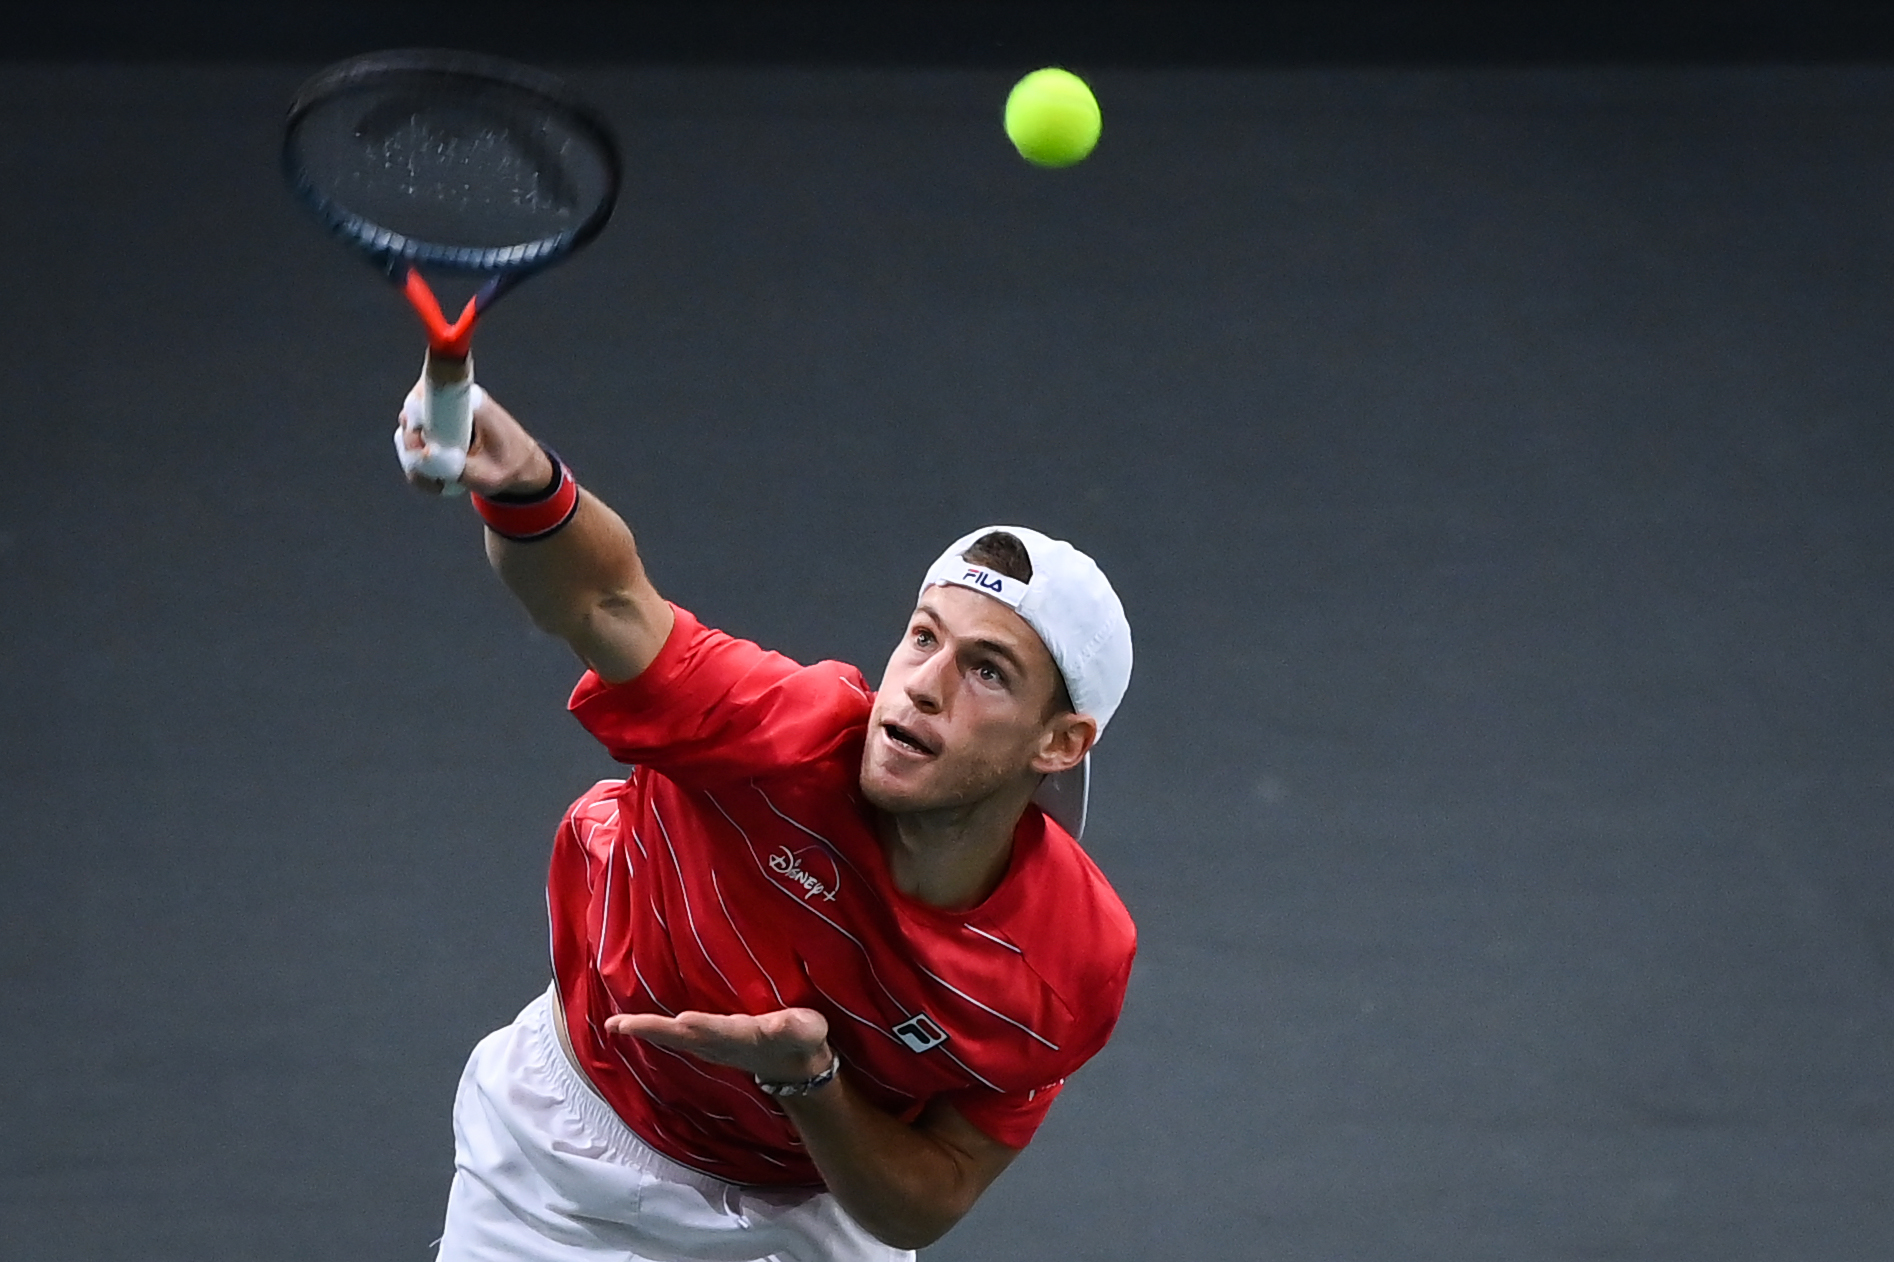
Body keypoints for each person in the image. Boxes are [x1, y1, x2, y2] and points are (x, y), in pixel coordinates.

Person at [395, 360, 1137, 1262]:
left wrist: (810, 1084)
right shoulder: (780, 733)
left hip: (813, 1207)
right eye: (922, 637)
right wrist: (526, 486)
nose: (923, 685)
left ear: (1060, 743)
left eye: (987, 670)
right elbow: (605, 601)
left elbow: (928, 1201)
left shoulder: (1070, 962)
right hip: (567, 1158)